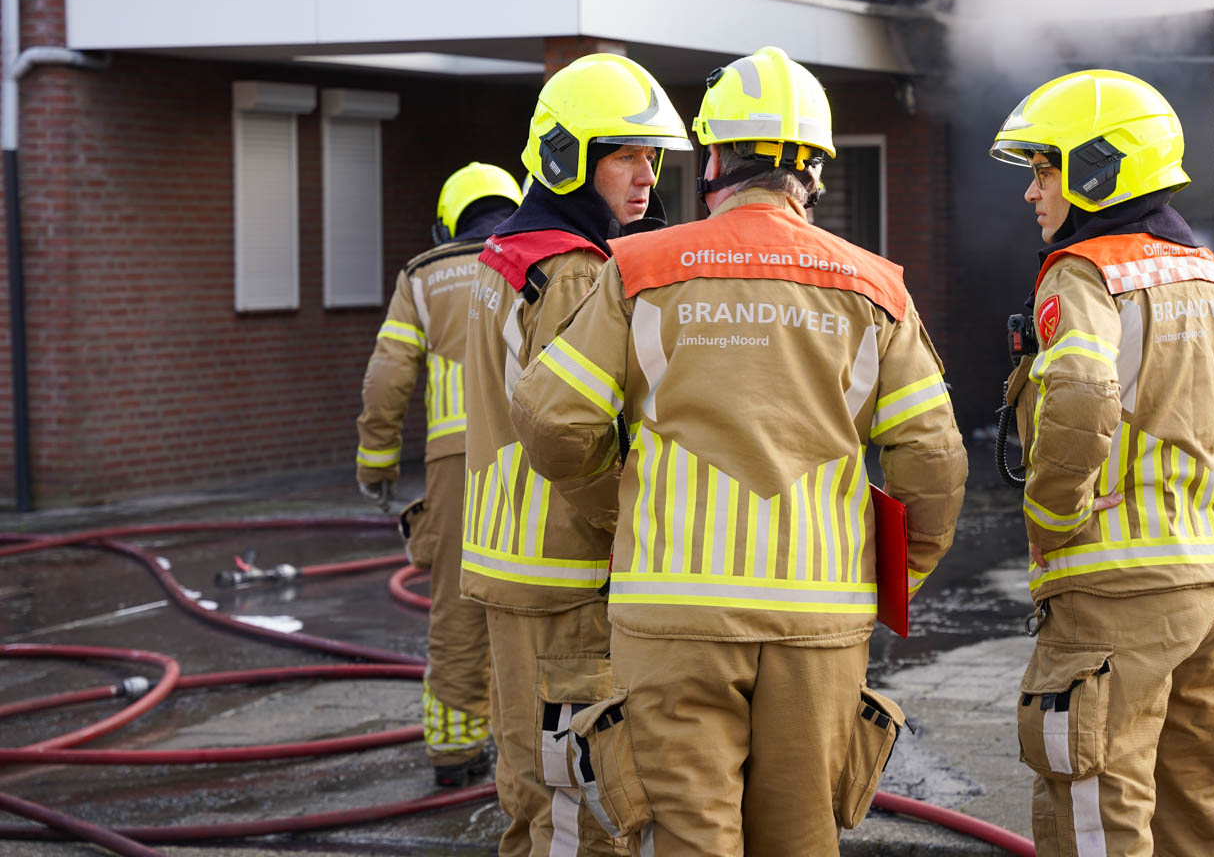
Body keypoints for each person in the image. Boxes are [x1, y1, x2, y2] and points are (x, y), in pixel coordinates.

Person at [509, 46, 967, 856]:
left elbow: (552, 424)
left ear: (715, 158)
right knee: (799, 838)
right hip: (819, 621)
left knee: (690, 835)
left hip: (671, 616)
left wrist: (620, 517)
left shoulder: (638, 269)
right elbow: (932, 461)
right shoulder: (876, 289)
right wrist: (898, 575)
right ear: (815, 174)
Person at [990, 70, 1214, 857]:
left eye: (1045, 169)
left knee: (1101, 815)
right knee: (1200, 813)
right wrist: (1204, 534)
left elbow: (1077, 390)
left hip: (1115, 597)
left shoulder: (1084, 272)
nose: (1032, 193)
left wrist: (1053, 518)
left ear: (1098, 170)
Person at [459, 53, 691, 857]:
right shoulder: (571, 271)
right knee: (574, 801)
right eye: (623, 154)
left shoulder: (507, 255)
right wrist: (634, 525)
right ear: (567, 159)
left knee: (533, 783)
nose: (645, 175)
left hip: (514, 558)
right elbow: (576, 429)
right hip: (562, 565)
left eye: (651, 155)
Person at [355, 161, 521, 786]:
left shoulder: (422, 277)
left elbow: (388, 376)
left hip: (456, 467)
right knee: (546, 604)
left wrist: (377, 464)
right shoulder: (541, 257)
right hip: (540, 453)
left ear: (445, 224)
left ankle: (454, 752)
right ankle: (540, 752)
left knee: (457, 608)